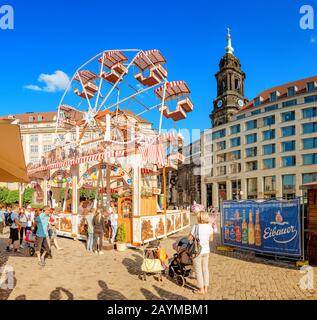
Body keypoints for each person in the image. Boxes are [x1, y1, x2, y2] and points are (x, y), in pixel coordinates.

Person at [188, 212, 213, 295]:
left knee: (198, 271)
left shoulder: (196, 226)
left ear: (199, 218)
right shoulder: (209, 227)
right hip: (206, 251)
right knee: (205, 269)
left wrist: (196, 237)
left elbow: (189, 238)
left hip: (197, 251)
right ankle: (206, 287)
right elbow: (211, 239)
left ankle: (201, 289)